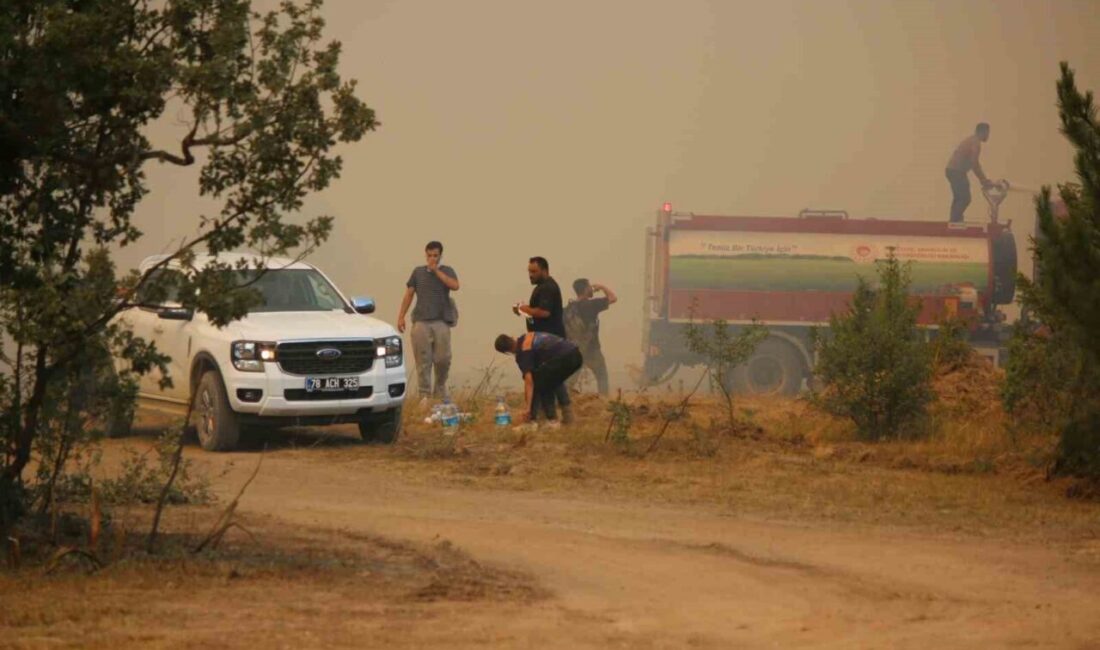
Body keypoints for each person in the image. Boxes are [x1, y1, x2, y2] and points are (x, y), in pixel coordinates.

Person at [512, 256, 573, 423]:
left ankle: (562, 415)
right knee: (547, 379)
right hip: (542, 341)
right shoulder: (541, 287)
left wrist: (525, 308)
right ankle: (548, 416)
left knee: (552, 379)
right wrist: (523, 311)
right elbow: (537, 312)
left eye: (534, 271)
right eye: (529, 271)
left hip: (550, 342)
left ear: (544, 270)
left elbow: (545, 312)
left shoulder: (548, 288)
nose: (530, 275)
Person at [397, 241, 460, 402]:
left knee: (443, 359)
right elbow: (409, 294)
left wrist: (436, 271)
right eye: (429, 255)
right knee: (423, 361)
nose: (432, 258)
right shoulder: (417, 272)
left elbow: (455, 286)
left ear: (440, 256)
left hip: (441, 321)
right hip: (421, 322)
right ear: (425, 254)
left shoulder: (447, 270)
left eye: (435, 255)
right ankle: (424, 395)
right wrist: (401, 316)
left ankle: (440, 390)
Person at [494, 331, 583, 430]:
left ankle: (549, 419)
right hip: (576, 354)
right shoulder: (527, 337)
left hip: (564, 358)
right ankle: (568, 417)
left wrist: (528, 408)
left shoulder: (523, 353)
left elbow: (529, 382)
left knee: (540, 381)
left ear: (507, 351)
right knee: (553, 379)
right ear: (511, 337)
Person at [564, 278, 617, 396]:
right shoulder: (591, 305)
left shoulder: (568, 309)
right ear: (585, 289)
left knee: (570, 381)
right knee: (602, 376)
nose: (592, 289)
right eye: (590, 287)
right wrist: (602, 287)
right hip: (592, 350)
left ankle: (563, 402)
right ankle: (604, 402)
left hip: (575, 351)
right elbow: (613, 298)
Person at [945, 122, 994, 223]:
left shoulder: (971, 140)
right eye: (988, 133)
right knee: (965, 198)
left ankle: (955, 219)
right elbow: (974, 163)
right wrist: (983, 180)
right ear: (983, 132)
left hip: (953, 171)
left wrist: (983, 179)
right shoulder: (975, 142)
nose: (988, 136)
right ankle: (954, 221)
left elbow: (975, 164)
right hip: (956, 171)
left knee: (959, 197)